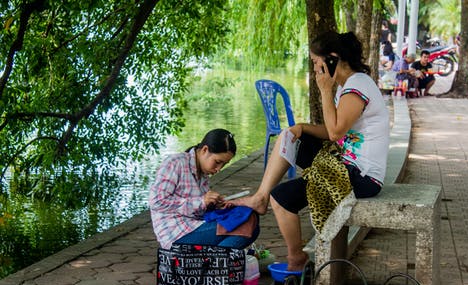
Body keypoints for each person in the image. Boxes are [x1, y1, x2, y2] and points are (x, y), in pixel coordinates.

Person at [233, 31, 390, 271]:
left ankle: (296, 257)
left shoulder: (356, 86)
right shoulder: (348, 85)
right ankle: (261, 196)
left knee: (282, 199)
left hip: (362, 177)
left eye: (317, 62)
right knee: (292, 136)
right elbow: (333, 131)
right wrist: (301, 128)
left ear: (332, 59)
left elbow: (336, 132)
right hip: (345, 162)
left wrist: (325, 91)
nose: (315, 68)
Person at [149, 128, 259, 250]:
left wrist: (215, 205)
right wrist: (201, 202)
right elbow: (156, 202)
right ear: (205, 150)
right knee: (247, 222)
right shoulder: (175, 163)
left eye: (223, 165)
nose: (218, 169)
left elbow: (198, 210)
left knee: (250, 221)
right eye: (217, 162)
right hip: (177, 235)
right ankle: (213, 262)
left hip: (196, 226)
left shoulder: (203, 174)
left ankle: (212, 261)